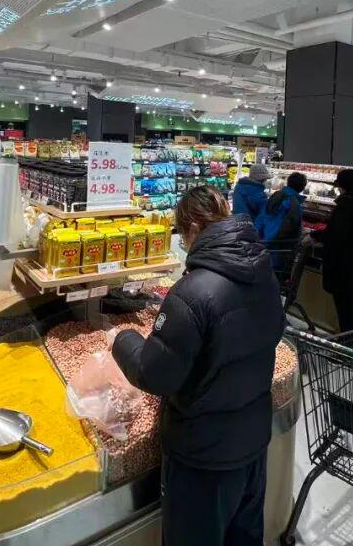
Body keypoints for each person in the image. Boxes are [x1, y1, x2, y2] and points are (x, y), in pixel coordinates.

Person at [111, 186, 284, 546]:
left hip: (203, 458)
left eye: (181, 234)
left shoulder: (192, 292)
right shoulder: (263, 271)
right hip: (253, 444)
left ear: (191, 228)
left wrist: (122, 338)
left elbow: (153, 374)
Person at [311, 169, 353, 334]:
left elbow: (337, 233)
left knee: (344, 308)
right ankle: (350, 342)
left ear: (343, 186)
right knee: (351, 307)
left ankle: (347, 344)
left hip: (343, 265)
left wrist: (316, 235)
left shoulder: (346, 205)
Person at [255, 172, 307, 281]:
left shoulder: (276, 196)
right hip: (280, 249)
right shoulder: (294, 203)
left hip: (265, 243)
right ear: (302, 187)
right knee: (277, 278)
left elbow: (263, 216)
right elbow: (291, 228)